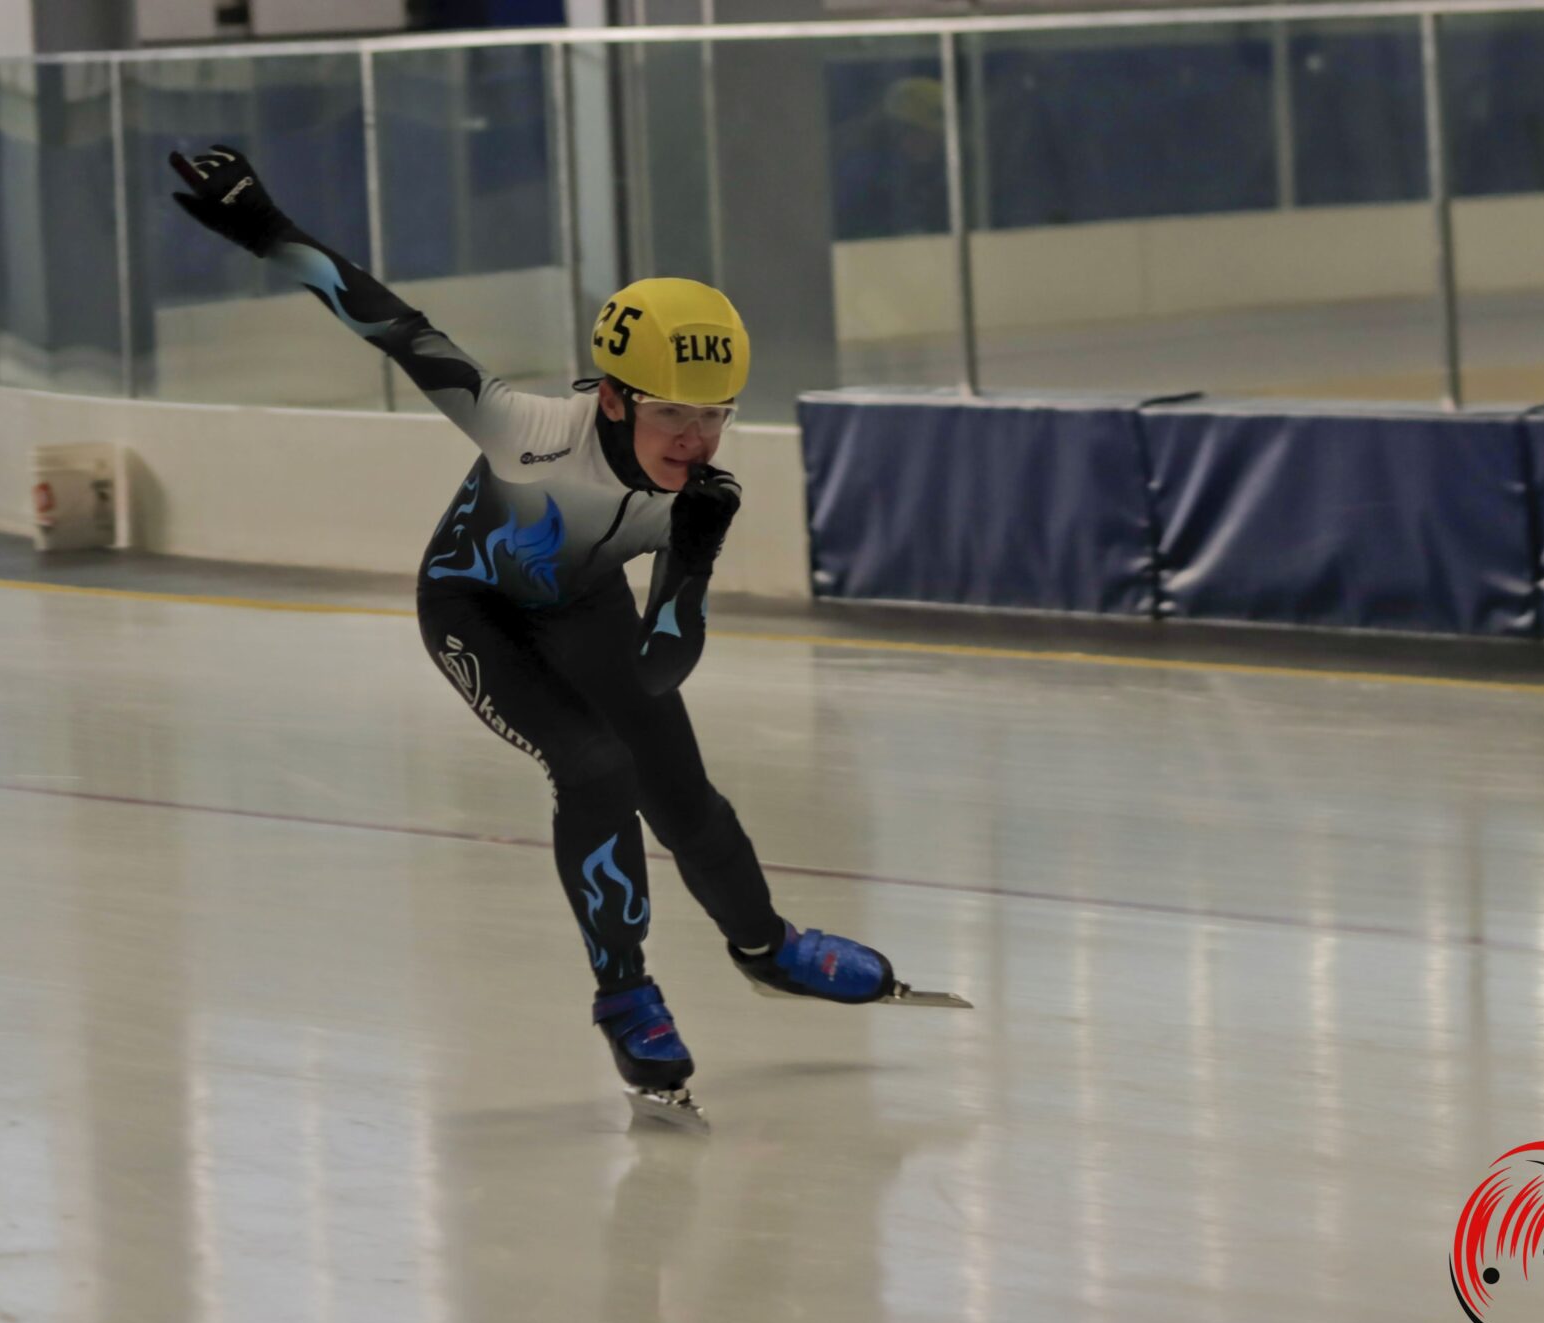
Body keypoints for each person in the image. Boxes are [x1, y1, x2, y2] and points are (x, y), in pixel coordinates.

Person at [168, 145, 960, 1127]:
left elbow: (662, 668)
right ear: (615, 398)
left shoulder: (697, 494)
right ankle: (625, 996)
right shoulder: (526, 429)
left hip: (586, 609)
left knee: (682, 790)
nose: (696, 442)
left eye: (715, 417)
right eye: (673, 415)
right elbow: (394, 326)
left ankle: (767, 948)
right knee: (593, 769)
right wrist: (266, 229)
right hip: (474, 609)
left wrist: (696, 560)